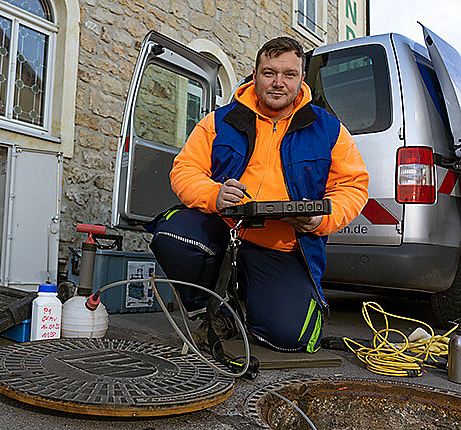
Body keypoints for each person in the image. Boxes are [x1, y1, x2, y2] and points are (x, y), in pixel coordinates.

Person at [147, 36, 369, 353]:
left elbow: (354, 185)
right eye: (269, 73)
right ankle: (215, 315)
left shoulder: (329, 129)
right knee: (172, 236)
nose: (278, 83)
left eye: (289, 74)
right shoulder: (219, 121)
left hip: (284, 246)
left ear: (301, 77)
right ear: (255, 74)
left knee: (290, 338)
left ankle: (259, 305)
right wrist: (214, 194)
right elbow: (184, 169)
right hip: (225, 232)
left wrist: (322, 219)